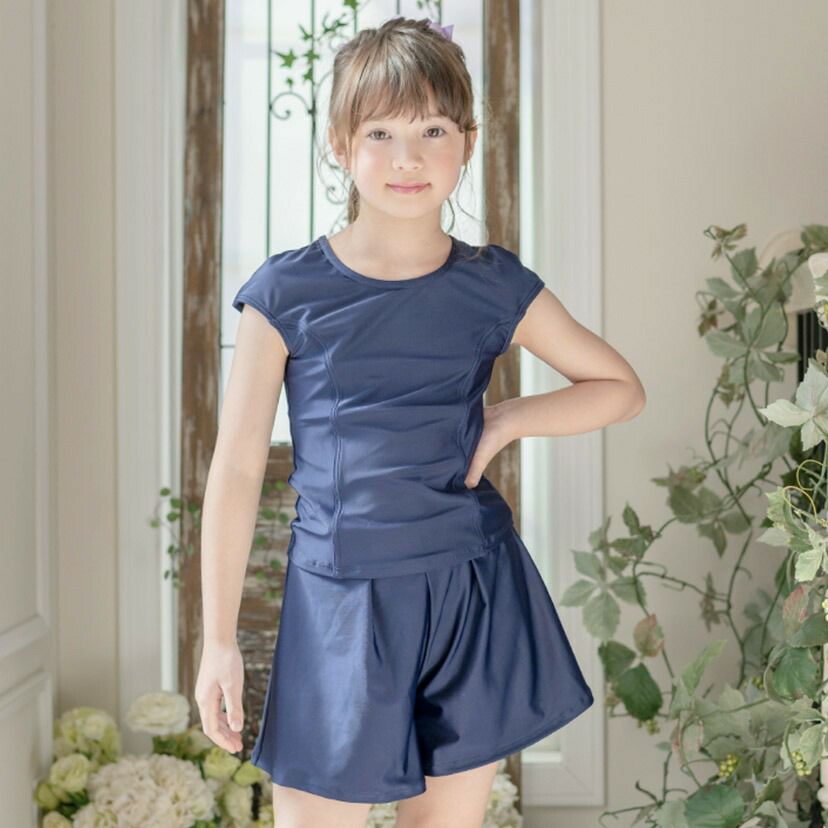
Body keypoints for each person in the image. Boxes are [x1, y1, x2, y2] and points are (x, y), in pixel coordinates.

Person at [195, 14, 645, 828]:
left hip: (469, 589)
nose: (408, 158)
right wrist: (218, 641)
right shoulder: (285, 293)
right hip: (338, 602)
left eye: (433, 130)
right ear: (340, 144)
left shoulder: (493, 284)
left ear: (467, 143)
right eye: (381, 132)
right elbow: (234, 469)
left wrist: (507, 419)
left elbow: (619, 388)